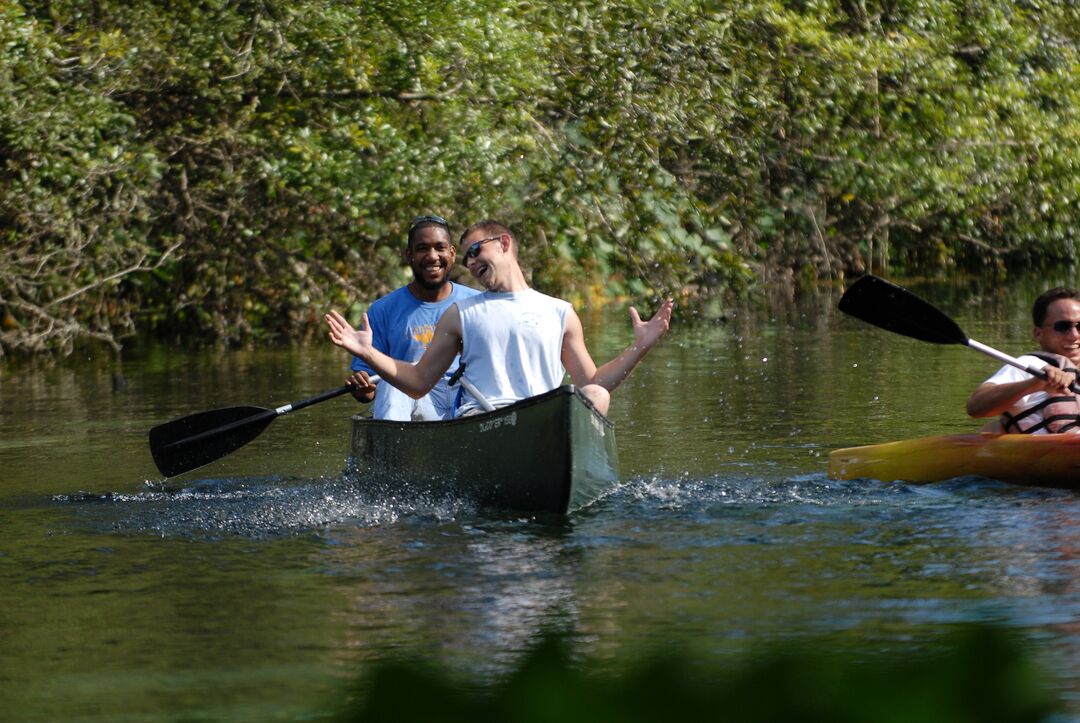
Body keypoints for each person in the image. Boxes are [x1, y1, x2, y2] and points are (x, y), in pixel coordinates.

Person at [326, 219, 674, 417]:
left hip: (539, 420)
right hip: (483, 421)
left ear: (504, 243)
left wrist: (640, 347)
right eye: (467, 260)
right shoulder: (460, 312)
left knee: (597, 395)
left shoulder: (560, 311)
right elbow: (418, 382)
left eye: (476, 251)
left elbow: (591, 379)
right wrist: (369, 354)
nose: (472, 263)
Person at [345, 214, 480, 421]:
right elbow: (369, 391)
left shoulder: (478, 303)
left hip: (466, 397)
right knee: (393, 381)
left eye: (439, 248)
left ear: (452, 254)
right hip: (413, 397)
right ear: (409, 255)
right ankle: (392, 448)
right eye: (422, 248)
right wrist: (363, 389)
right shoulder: (382, 310)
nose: (432, 256)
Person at [966, 287, 1080, 434]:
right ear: (1038, 333)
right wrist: (1033, 384)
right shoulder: (1029, 365)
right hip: (1042, 454)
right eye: (1062, 327)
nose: (1074, 335)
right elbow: (975, 406)